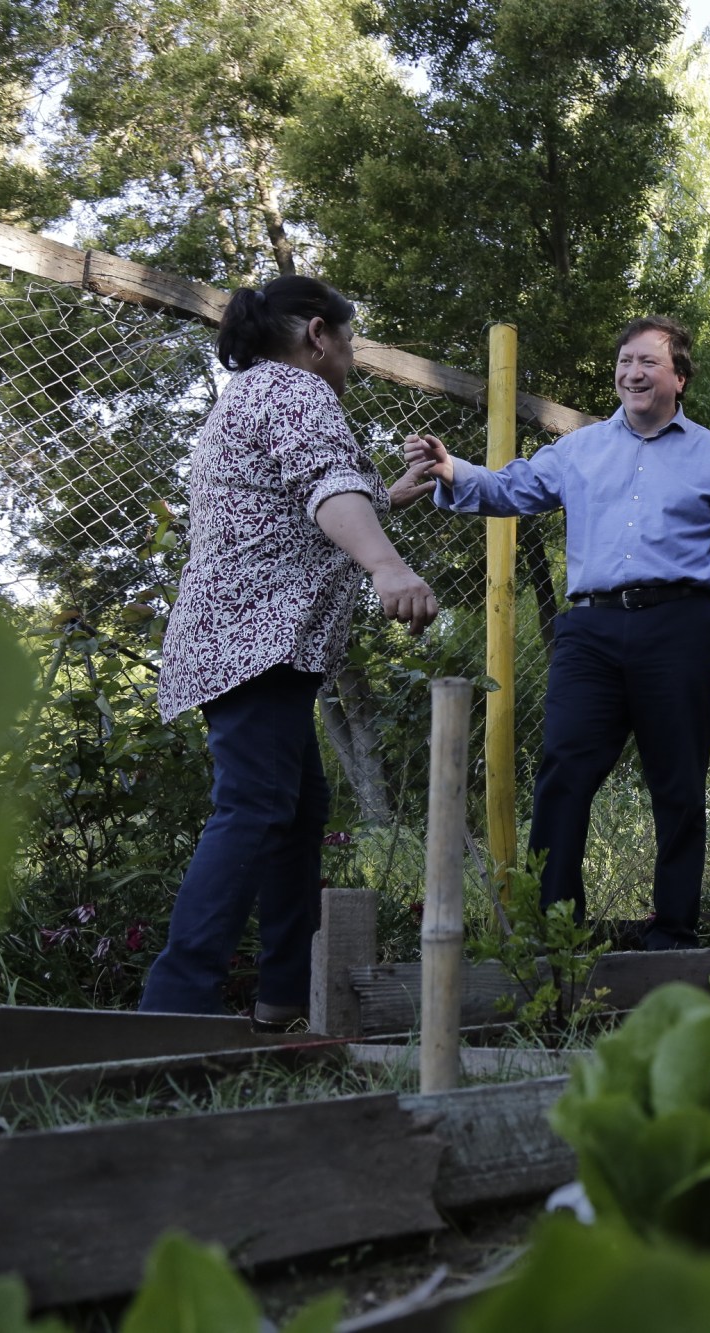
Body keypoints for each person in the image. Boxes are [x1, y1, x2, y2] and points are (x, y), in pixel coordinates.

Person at [403, 315, 710, 951]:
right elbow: (508, 489)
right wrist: (451, 470)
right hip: (590, 630)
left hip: (680, 627)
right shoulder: (580, 449)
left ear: (679, 377)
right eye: (625, 361)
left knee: (678, 782)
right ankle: (554, 932)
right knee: (565, 771)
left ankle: (673, 933)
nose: (633, 372)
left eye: (648, 362)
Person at [142, 275, 440, 1026]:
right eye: (350, 340)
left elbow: (302, 500)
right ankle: (172, 1010)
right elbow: (327, 490)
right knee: (253, 808)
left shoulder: (250, 394)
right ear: (317, 334)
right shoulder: (296, 390)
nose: (352, 356)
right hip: (254, 642)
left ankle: (283, 998)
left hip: (244, 642)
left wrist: (391, 494)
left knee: (298, 808)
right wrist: (389, 567)